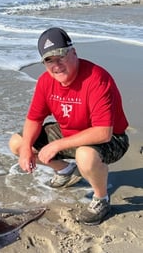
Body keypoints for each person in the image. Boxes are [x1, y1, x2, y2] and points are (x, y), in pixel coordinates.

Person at [9, 27, 129, 225]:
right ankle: (65, 171)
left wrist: (57, 145)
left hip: (112, 138)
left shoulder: (97, 79)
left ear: (73, 53)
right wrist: (25, 151)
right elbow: (34, 119)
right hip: (70, 131)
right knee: (18, 143)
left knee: (86, 156)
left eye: (60, 56)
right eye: (49, 60)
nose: (56, 65)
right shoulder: (45, 82)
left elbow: (103, 133)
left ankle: (101, 199)